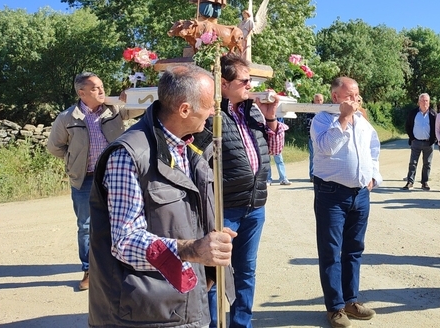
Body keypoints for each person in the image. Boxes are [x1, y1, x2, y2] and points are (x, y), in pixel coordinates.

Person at [88, 65, 236, 327]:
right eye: (209, 104)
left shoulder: (191, 145)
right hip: (146, 312)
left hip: (186, 301)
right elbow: (126, 241)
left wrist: (207, 234)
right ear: (184, 109)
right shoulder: (129, 155)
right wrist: (193, 248)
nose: (214, 111)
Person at [207, 54, 288, 328]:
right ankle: (213, 323)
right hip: (224, 207)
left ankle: (241, 324)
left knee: (246, 271)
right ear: (225, 84)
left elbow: (275, 151)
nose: (250, 85)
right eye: (244, 81)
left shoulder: (252, 110)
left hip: (255, 207)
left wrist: (271, 118)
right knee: (215, 272)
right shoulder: (211, 115)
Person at [46, 72, 142, 291]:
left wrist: (132, 96)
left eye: (102, 86)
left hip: (116, 177)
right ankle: (90, 270)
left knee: (123, 221)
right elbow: (55, 147)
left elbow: (141, 108)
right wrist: (75, 159)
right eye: (96, 88)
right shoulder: (67, 118)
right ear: (82, 93)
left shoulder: (115, 109)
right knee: (86, 226)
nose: (102, 91)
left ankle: (120, 268)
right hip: (86, 180)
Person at [310, 77, 382, 328]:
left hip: (360, 195)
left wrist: (374, 177)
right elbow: (326, 148)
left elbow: (373, 149)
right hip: (331, 195)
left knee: (354, 249)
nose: (355, 100)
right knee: (331, 251)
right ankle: (335, 307)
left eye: (357, 95)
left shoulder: (362, 121)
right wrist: (342, 119)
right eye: (349, 95)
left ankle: (350, 300)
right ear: (335, 97)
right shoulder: (322, 119)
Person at [402, 93, 436, 190]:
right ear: (419, 102)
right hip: (416, 142)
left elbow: (437, 129)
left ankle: (424, 182)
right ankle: (410, 182)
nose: (425, 103)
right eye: (423, 100)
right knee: (413, 162)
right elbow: (408, 126)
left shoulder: (433, 114)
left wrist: (433, 140)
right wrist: (412, 138)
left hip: (428, 143)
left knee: (427, 163)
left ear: (429, 103)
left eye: (426, 101)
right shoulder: (413, 113)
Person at [307, 93, 325, 181]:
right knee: (312, 156)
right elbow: (307, 124)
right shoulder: (310, 111)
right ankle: (312, 175)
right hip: (312, 137)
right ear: (314, 101)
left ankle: (321, 174)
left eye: (320, 100)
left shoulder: (325, 110)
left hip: (323, 137)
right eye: (317, 100)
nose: (319, 102)